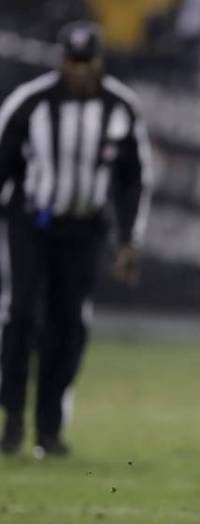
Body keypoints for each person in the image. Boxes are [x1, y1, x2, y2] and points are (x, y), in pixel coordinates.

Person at [0, 21, 151, 457]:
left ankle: (48, 428)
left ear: (99, 61)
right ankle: (11, 416)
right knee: (21, 313)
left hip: (84, 228)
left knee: (69, 326)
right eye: (72, 61)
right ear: (61, 60)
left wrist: (128, 241)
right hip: (32, 223)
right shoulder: (29, 103)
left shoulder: (121, 106)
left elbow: (134, 179)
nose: (80, 71)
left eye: (87, 62)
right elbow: (3, 164)